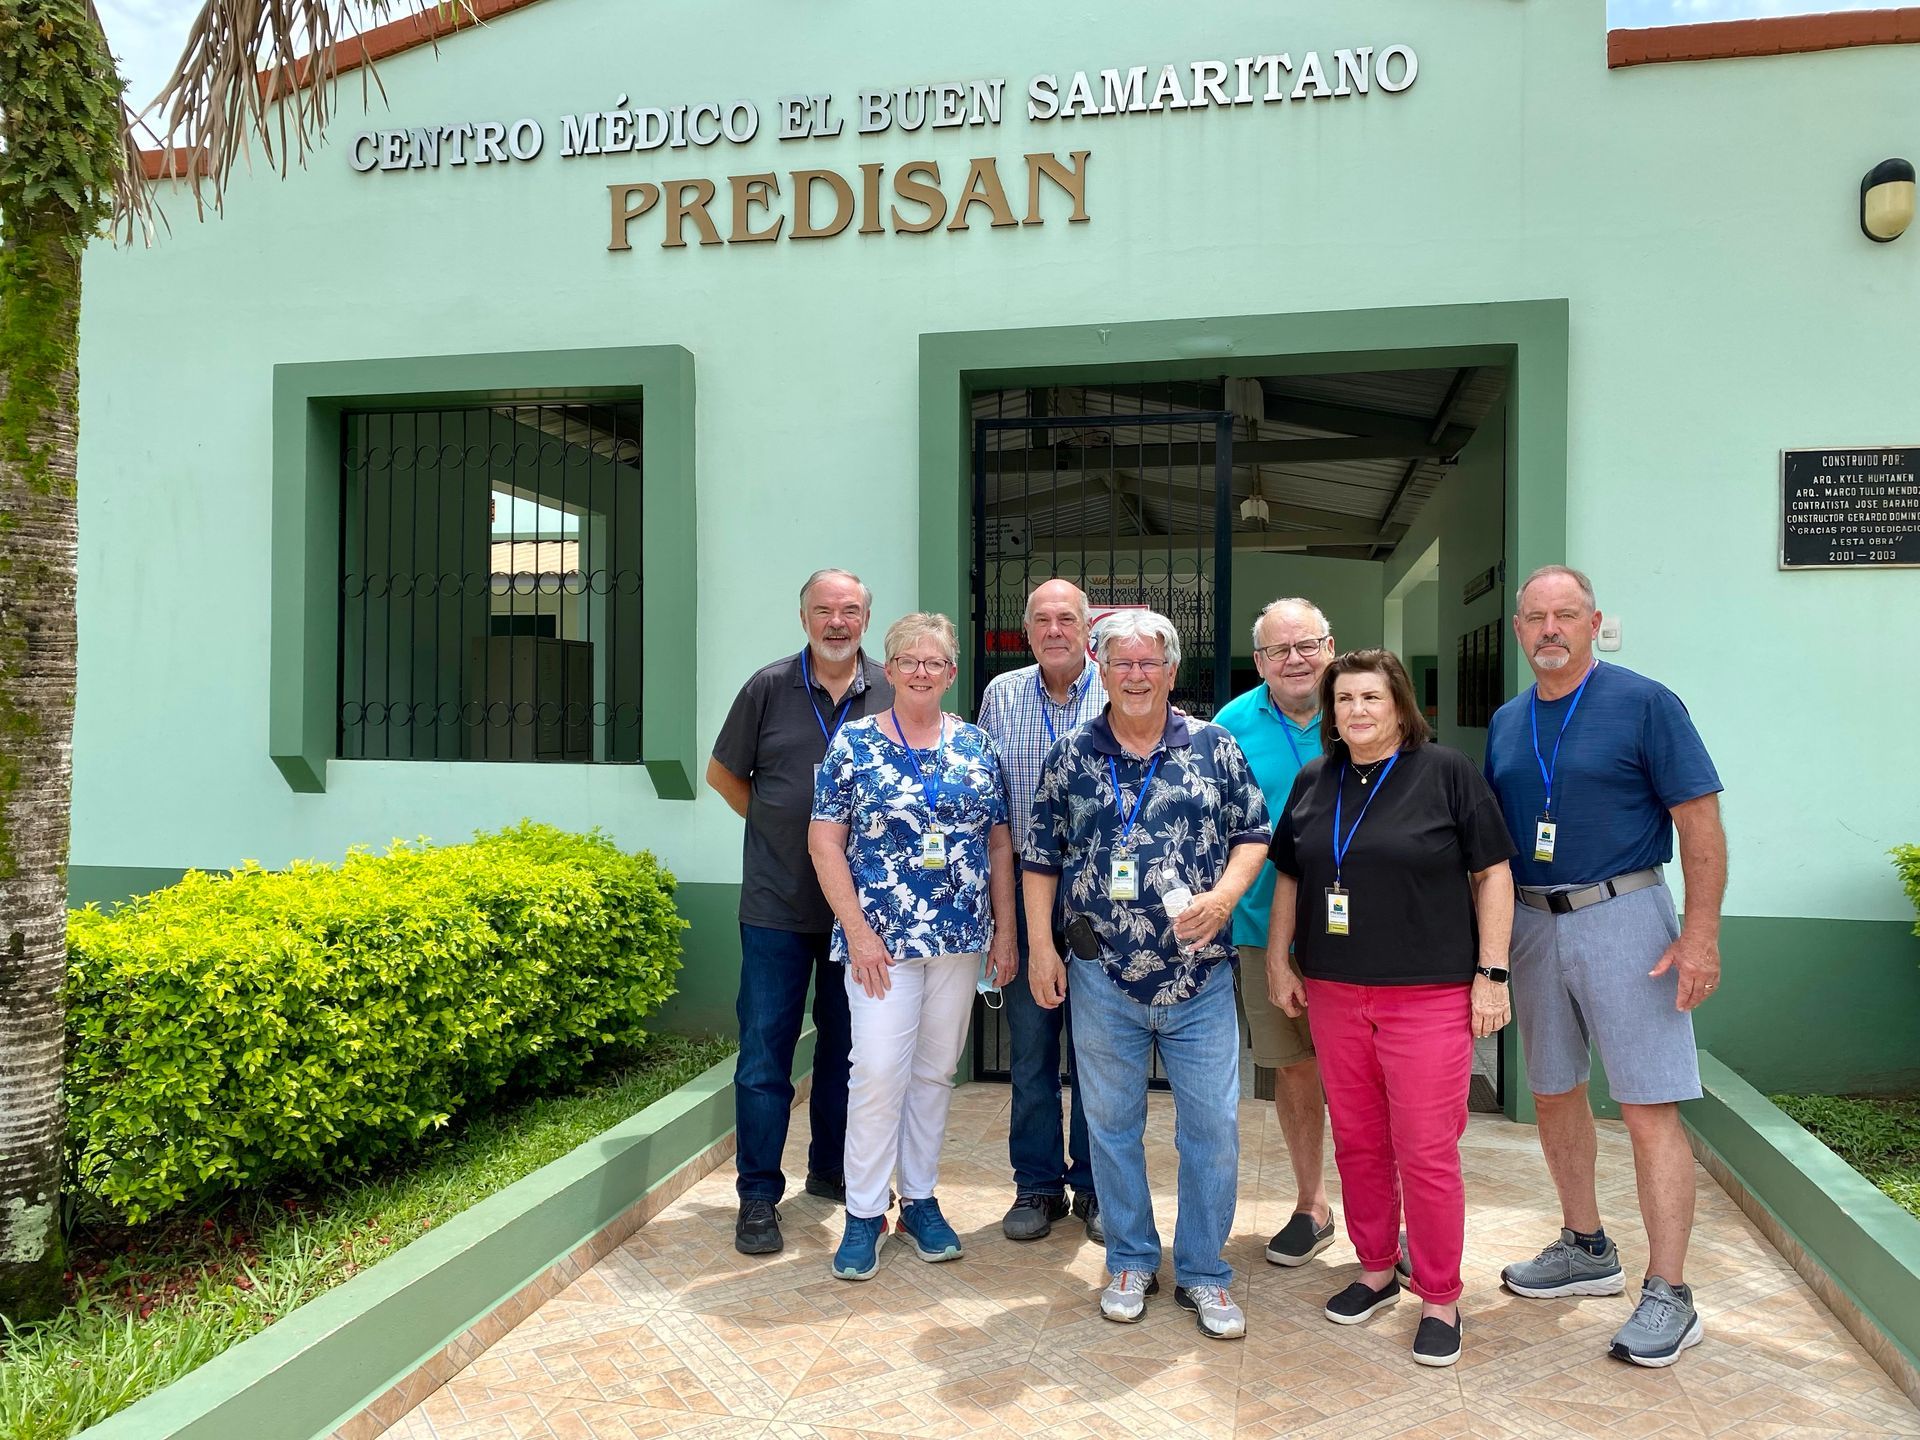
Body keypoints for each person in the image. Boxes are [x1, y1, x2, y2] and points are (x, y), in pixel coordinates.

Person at [1485, 565, 1726, 1368]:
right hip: (1531, 920)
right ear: (1518, 631)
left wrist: (1700, 935)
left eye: (1566, 615)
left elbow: (1700, 824)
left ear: (1593, 623)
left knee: (1649, 1104)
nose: (1549, 629)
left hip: (1626, 916)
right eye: (1535, 618)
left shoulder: (1646, 703)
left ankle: (1671, 1293)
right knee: (1553, 1091)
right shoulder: (1509, 721)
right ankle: (1586, 1246)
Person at [1266, 649, 1516, 1368]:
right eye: (1344, 700)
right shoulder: (1317, 780)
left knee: (1427, 1150)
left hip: (1428, 994)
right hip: (1336, 991)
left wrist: (1491, 973)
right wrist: (1281, 959)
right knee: (1359, 1141)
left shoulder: (1447, 774)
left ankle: (1438, 1295)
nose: (1358, 712)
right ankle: (1376, 1269)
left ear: (1400, 705)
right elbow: (1290, 874)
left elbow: (1492, 873)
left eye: (1371, 697)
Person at [1024, 609, 1269, 1341]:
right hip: (1102, 977)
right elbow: (1040, 857)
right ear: (1101, 669)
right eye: (1122, 662)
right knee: (1111, 1126)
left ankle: (1202, 1271)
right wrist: (1041, 947)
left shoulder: (1215, 746)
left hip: (1200, 978)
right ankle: (1130, 1258)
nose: (1136, 675)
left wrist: (1225, 898)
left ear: (1170, 671)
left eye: (1149, 663)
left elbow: (1253, 834)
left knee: (1213, 1130)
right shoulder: (1070, 754)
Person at [808, 613, 1018, 1280]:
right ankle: (865, 1212)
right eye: (910, 661)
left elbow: (998, 843)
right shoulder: (855, 744)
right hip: (881, 946)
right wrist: (858, 931)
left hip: (958, 941)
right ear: (889, 671)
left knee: (933, 1073)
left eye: (936, 662)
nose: (923, 671)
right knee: (875, 1072)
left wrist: (1005, 931)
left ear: (952, 674)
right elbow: (824, 840)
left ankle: (919, 1199)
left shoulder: (978, 746)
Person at [708, 569, 892, 1256]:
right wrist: (783, 828)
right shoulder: (767, 687)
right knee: (764, 1053)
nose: (836, 622)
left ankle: (830, 1171)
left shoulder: (893, 691)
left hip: (863, 918)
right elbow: (724, 774)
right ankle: (757, 1196)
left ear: (866, 620)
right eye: (824, 611)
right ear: (804, 618)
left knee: (851, 1052)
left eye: (849, 611)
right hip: (777, 904)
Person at [976, 578, 1108, 1243]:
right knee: (1030, 1052)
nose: (1054, 630)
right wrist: (1004, 924)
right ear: (1026, 632)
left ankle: (1092, 1186)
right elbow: (989, 810)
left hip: (1102, 907)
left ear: (1088, 628)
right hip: (1028, 903)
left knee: (1098, 1052)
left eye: (1066, 618)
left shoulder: (1118, 688)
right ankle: (1036, 1186)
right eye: (1041, 620)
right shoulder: (1000, 696)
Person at [1213, 597, 1337, 1267]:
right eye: (1278, 650)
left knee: (1370, 1074)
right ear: (1259, 661)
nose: (1295, 660)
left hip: (1363, 933)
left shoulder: (1365, 706)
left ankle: (1395, 1216)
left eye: (1307, 645)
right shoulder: (1231, 726)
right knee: (1294, 1068)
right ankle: (1313, 1202)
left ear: (1330, 646)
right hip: (1266, 929)